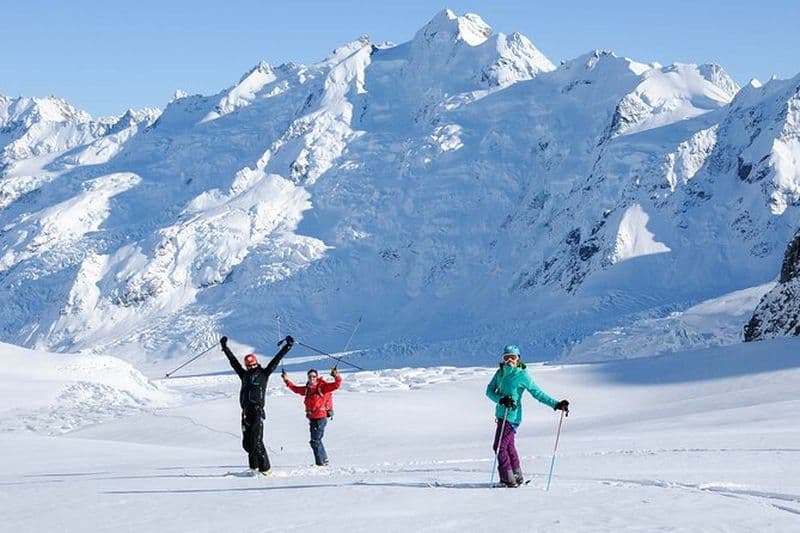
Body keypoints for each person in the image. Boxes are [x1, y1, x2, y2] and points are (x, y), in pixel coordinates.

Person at [485, 344, 569, 487]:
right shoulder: (500, 373)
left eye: (513, 357)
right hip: (501, 415)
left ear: (518, 359)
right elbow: (489, 391)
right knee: (508, 447)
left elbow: (538, 394)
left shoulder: (523, 376)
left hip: (512, 417)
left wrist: (556, 404)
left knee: (499, 447)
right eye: (507, 357)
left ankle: (507, 479)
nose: (510, 360)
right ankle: (516, 476)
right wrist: (501, 399)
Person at [221, 334, 294, 476]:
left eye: (253, 365)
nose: (251, 367)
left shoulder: (264, 374)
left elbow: (276, 359)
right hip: (245, 412)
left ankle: (266, 470)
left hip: (257, 411)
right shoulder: (244, 375)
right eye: (249, 366)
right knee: (247, 444)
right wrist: (225, 347)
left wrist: (288, 346)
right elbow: (233, 362)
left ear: (257, 363)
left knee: (257, 442)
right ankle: (253, 468)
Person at [282, 366, 342, 466]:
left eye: (314, 376)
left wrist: (336, 375)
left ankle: (320, 464)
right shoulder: (307, 389)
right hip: (312, 417)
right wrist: (287, 381)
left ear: (317, 377)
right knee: (317, 440)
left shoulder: (322, 387)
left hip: (321, 417)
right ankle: (324, 460)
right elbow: (296, 389)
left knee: (315, 441)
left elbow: (336, 385)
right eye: (310, 376)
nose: (312, 378)